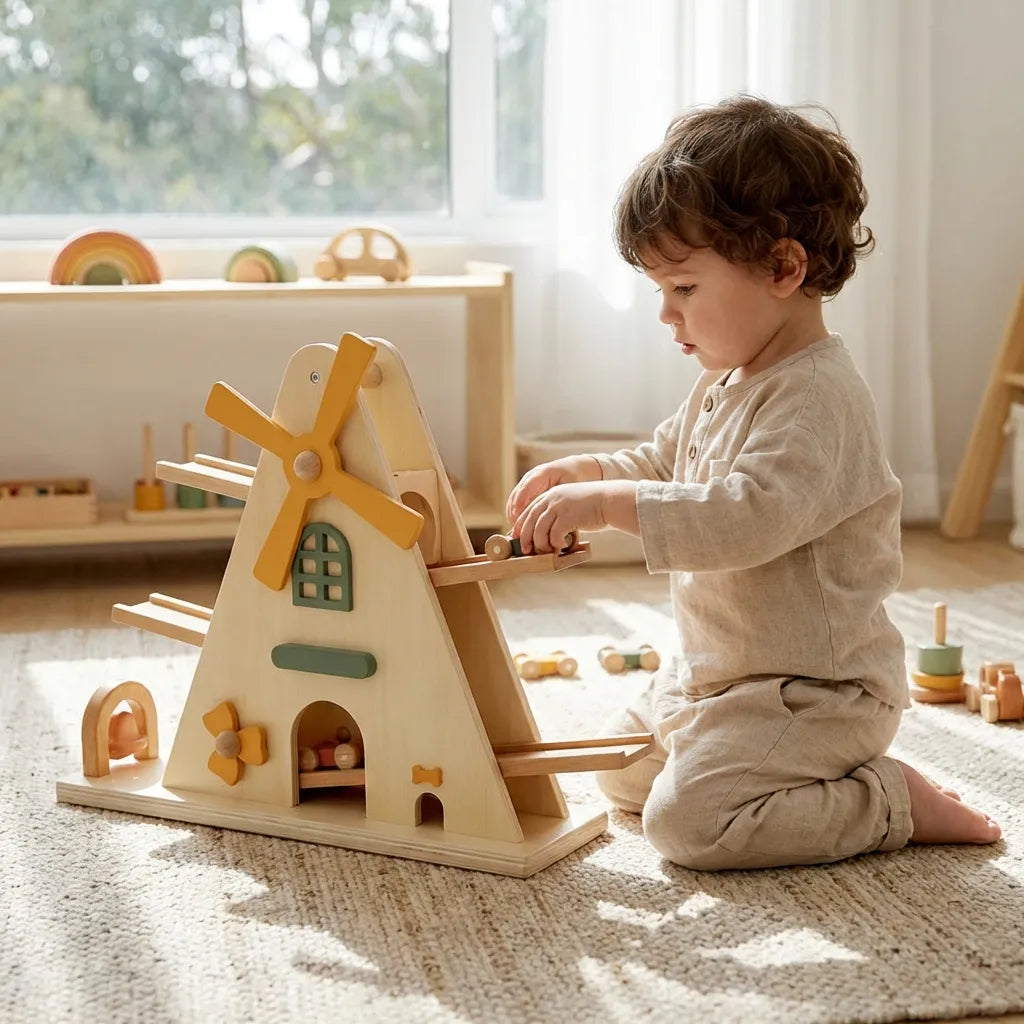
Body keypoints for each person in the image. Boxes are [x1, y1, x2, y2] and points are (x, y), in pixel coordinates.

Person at [505, 95, 1000, 870]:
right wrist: (591, 470)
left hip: (815, 693)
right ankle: (757, 765)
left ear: (782, 267)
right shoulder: (727, 377)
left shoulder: (820, 397)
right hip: (720, 678)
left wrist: (605, 505)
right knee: (617, 771)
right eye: (660, 291)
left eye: (684, 288)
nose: (666, 314)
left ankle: (886, 799)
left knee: (689, 827)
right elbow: (666, 462)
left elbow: (747, 518)